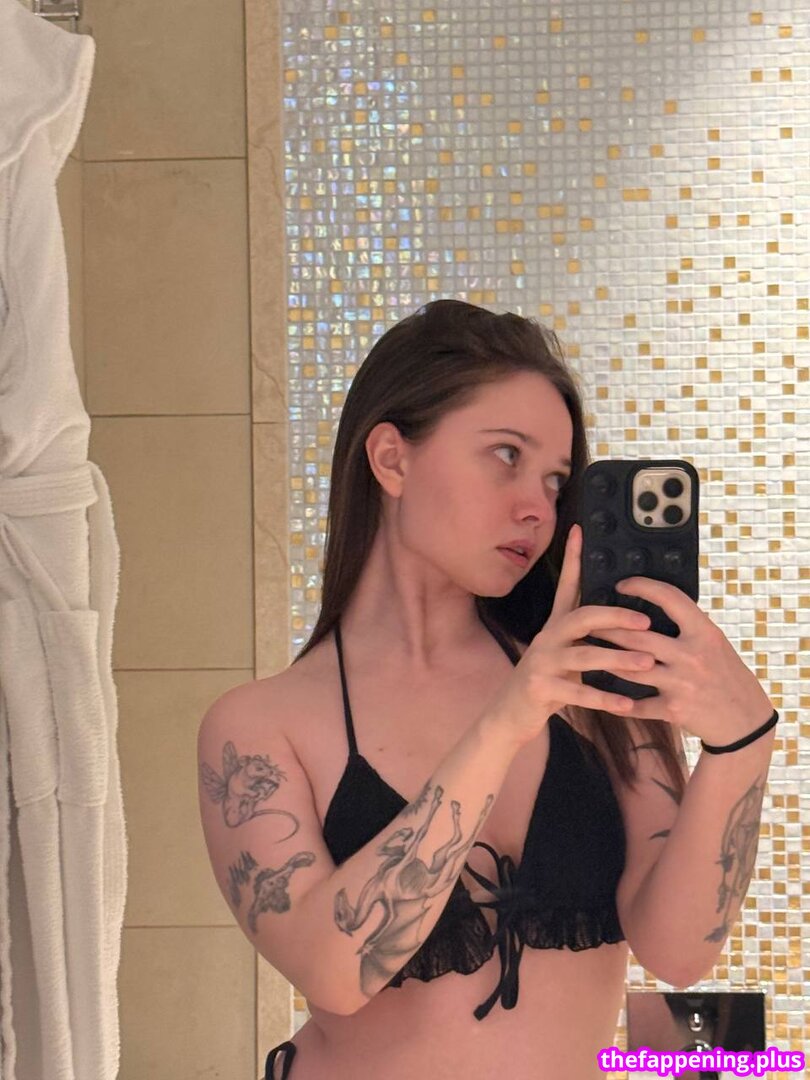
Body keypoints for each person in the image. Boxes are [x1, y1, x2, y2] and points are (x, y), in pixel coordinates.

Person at [197, 300, 777, 1080]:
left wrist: (742, 745)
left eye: (555, 479)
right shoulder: (259, 727)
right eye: (506, 455)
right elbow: (335, 974)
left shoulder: (597, 685)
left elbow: (678, 954)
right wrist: (508, 720)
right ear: (392, 460)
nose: (538, 506)